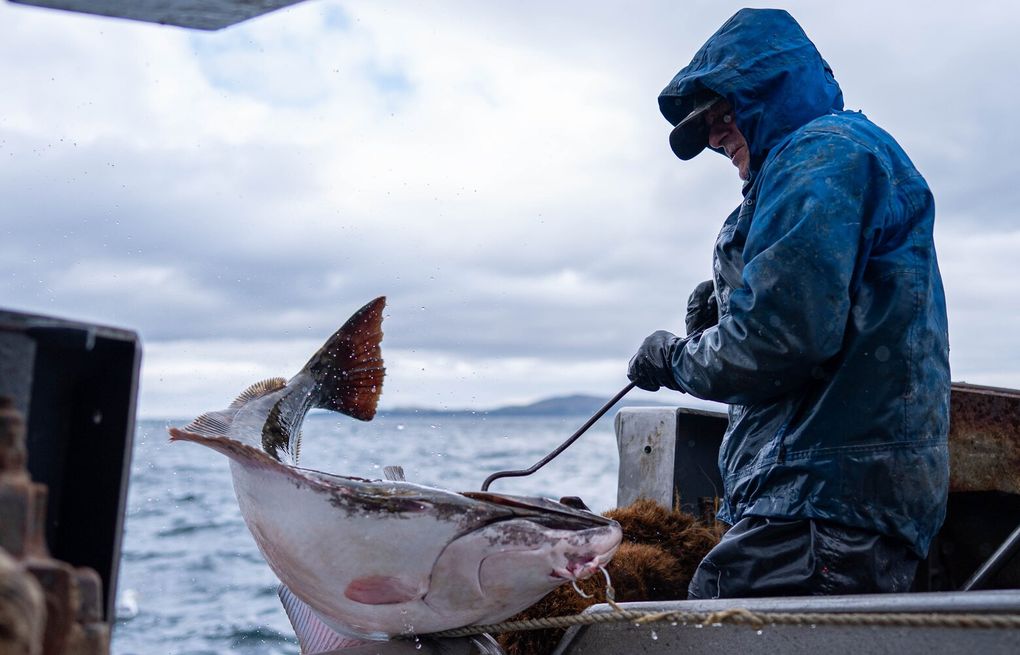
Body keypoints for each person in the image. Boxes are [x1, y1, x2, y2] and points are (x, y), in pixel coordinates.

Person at [627, 8, 950, 599]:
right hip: (833, 505)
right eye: (704, 130)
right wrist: (730, 305)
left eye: (721, 118)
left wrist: (676, 358)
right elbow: (819, 315)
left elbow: (777, 342)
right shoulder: (832, 155)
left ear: (767, 96)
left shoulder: (819, 155)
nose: (715, 139)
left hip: (818, 507)